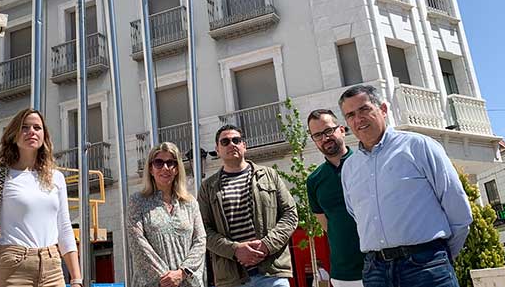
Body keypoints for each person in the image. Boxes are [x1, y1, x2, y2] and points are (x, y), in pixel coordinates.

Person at [338, 85, 473, 287]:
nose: (358, 119)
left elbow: (457, 209)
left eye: (364, 110)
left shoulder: (419, 147)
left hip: (426, 267)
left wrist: (437, 255)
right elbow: (355, 214)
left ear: (383, 109)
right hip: (375, 272)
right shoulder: (349, 168)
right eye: (350, 115)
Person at [0, 108, 82, 287]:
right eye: (25, 127)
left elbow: (64, 228)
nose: (31, 132)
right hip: (14, 265)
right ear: (13, 135)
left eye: (37, 127)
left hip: (52, 266)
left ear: (44, 136)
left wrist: (76, 279)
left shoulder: (56, 177)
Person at [199, 125, 298, 287]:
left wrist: (267, 244)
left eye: (236, 140)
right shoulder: (208, 187)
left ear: (244, 146)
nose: (231, 144)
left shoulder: (269, 175)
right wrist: (235, 250)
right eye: (225, 142)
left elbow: (290, 214)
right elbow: (203, 230)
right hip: (232, 279)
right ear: (217, 150)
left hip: (271, 273)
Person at [128, 142, 207, 287]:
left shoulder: (190, 203)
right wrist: (166, 278)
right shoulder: (137, 201)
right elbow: (137, 244)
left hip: (187, 282)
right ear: (151, 169)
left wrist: (182, 273)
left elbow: (200, 241)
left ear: (177, 169)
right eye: (158, 163)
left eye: (170, 163)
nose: (165, 168)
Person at [306, 109, 364, 287]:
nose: (325, 138)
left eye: (328, 131)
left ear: (341, 130)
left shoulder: (366, 163)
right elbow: (326, 226)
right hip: (343, 274)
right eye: (317, 135)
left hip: (382, 267)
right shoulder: (314, 180)